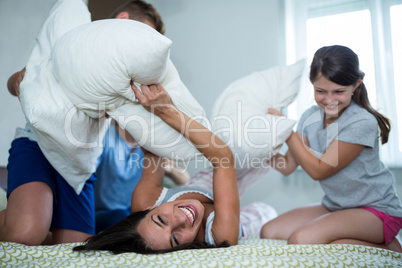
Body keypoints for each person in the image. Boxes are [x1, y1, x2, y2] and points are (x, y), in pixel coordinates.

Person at [0, 0, 168, 246]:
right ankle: (30, 220)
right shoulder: (74, 45)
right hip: (38, 145)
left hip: (80, 166)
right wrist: (16, 81)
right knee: (26, 234)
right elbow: (21, 79)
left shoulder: (125, 78)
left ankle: (44, 218)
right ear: (122, 20)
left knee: (75, 249)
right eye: (142, 35)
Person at [260, 45, 402, 252]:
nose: (329, 100)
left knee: (301, 240)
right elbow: (288, 165)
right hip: (337, 206)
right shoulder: (310, 116)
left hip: (376, 210)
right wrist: (259, 148)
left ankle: (390, 249)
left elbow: (320, 169)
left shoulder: (361, 121)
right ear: (313, 86)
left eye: (338, 92)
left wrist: (287, 132)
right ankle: (368, 241)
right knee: (269, 232)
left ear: (355, 85)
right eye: (320, 91)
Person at [74, 82, 240, 253]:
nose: (180, 220)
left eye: (161, 219)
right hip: (238, 217)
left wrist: (123, 107)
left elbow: (153, 151)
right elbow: (223, 159)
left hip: (201, 191)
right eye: (175, 238)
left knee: (240, 149)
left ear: (150, 209)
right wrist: (167, 111)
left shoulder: (145, 200)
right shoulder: (221, 236)